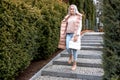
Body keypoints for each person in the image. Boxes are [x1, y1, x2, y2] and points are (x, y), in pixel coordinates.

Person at [58, 4, 82, 70]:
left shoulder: (78, 17)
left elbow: (79, 26)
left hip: (74, 34)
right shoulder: (68, 17)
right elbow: (64, 24)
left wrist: (77, 35)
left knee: (74, 49)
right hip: (68, 34)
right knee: (68, 48)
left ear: (75, 9)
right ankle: (70, 56)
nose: (72, 10)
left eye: (73, 9)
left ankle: (74, 64)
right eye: (71, 9)